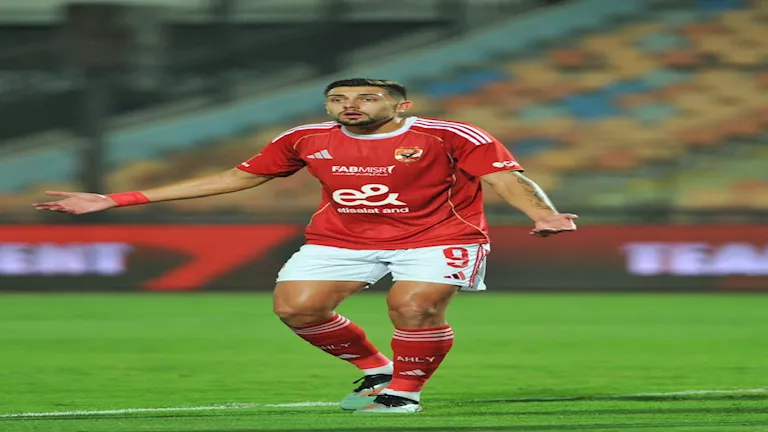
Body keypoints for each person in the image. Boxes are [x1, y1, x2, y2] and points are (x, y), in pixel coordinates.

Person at [34, 78, 577, 414]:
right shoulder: (305, 138)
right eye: (338, 98)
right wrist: (115, 199)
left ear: (401, 104)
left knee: (413, 305)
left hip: (439, 235)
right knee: (297, 308)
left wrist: (542, 215)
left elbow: (504, 177)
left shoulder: (449, 134)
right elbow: (238, 177)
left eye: (366, 98)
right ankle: (377, 368)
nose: (350, 105)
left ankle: (403, 393)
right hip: (342, 237)